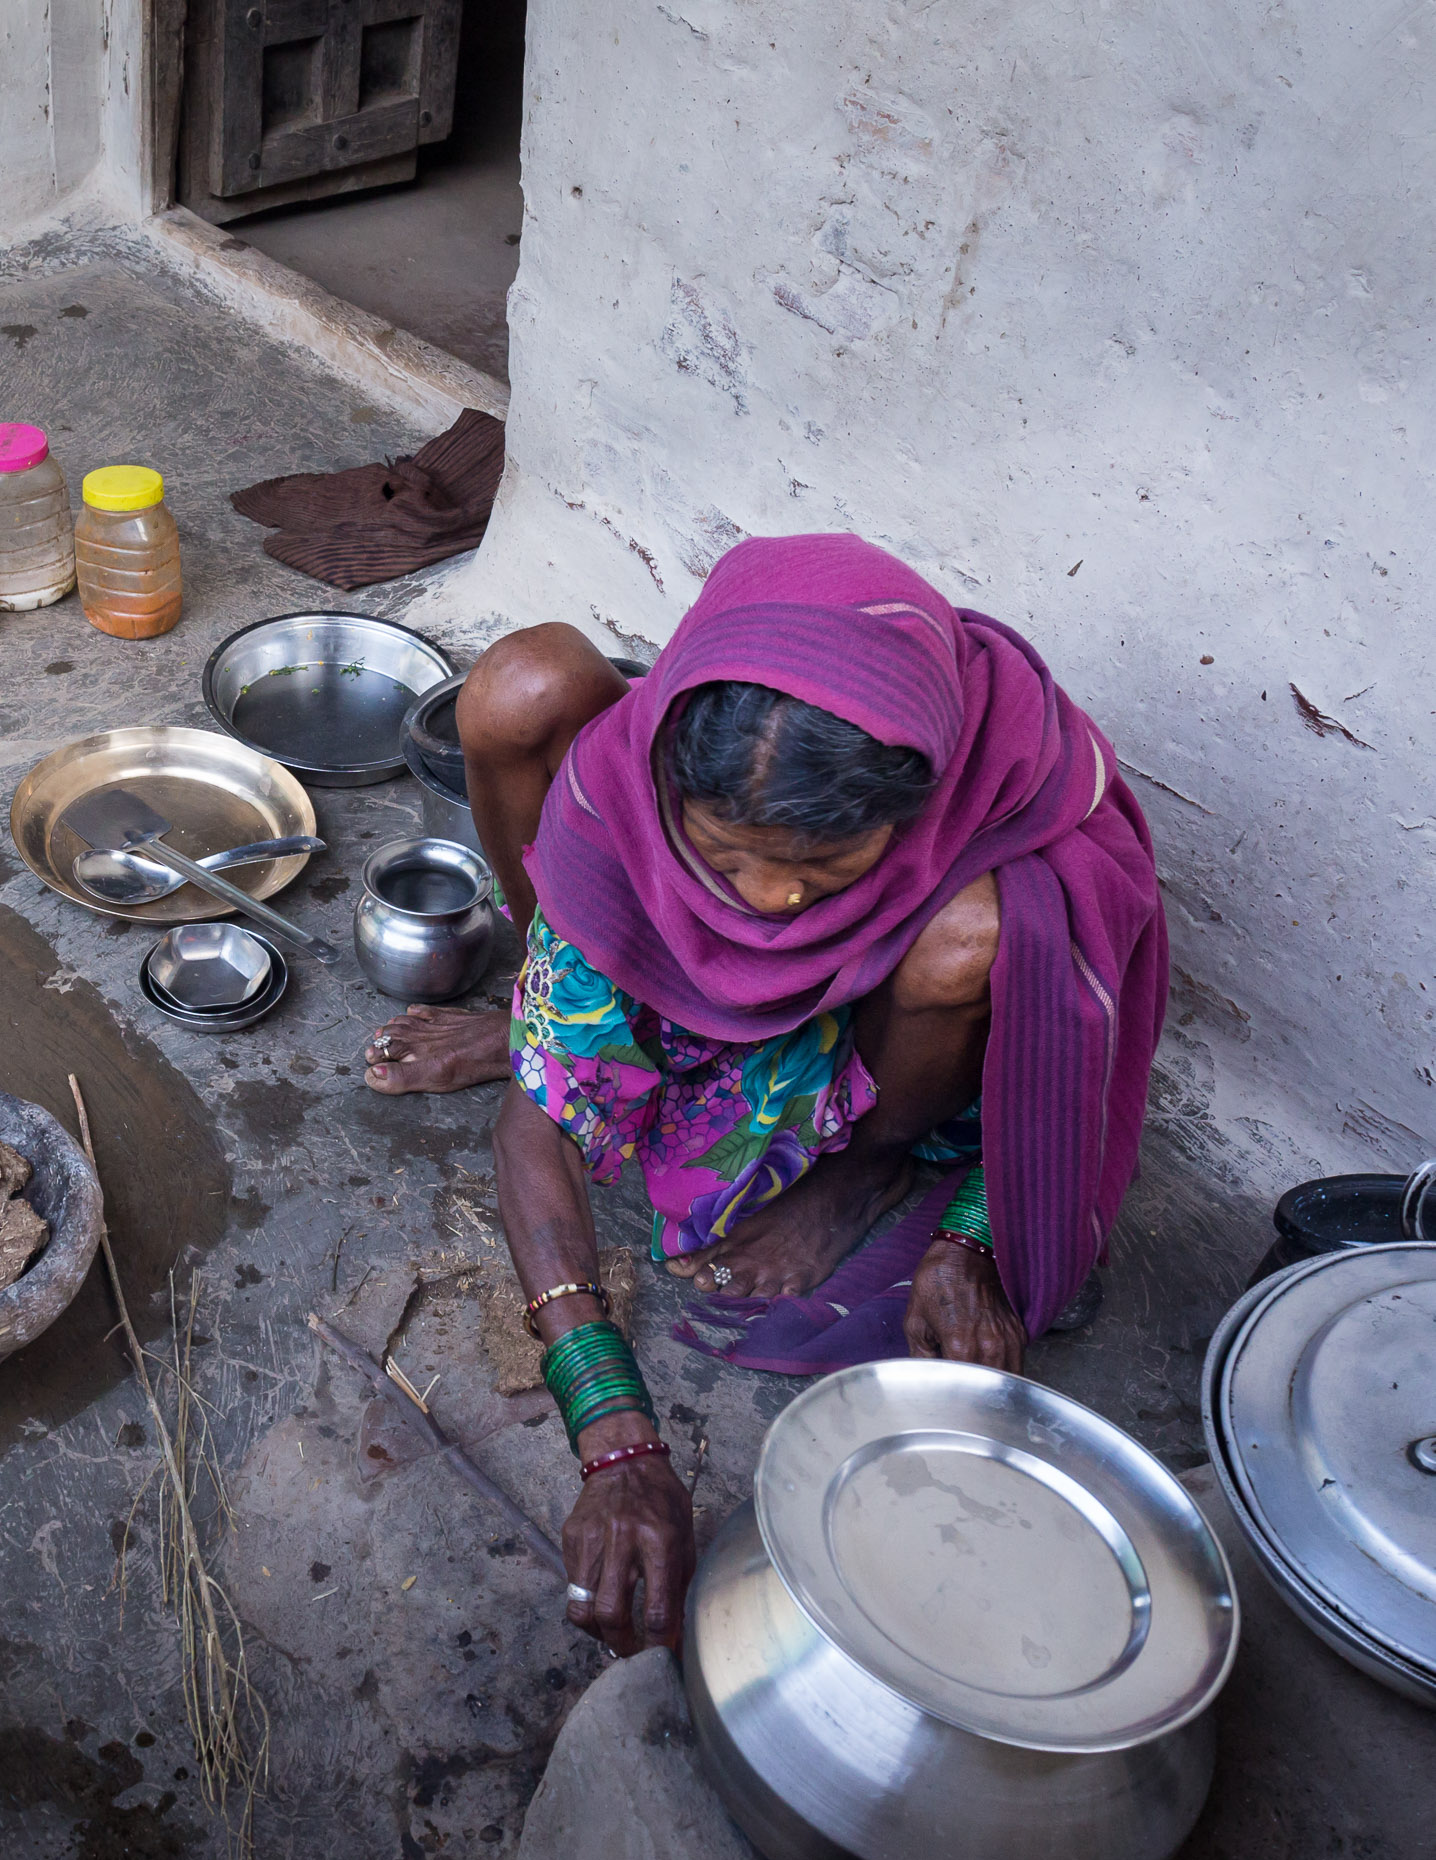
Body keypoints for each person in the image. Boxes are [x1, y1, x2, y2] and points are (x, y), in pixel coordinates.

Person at [365, 535, 1167, 1658]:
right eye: (727, 854)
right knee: (564, 966)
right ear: (670, 790)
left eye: (824, 865)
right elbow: (529, 1131)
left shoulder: (1005, 775)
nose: (772, 898)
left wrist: (977, 1231)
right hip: (654, 945)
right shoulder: (625, 789)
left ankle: (870, 1159)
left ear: (917, 804)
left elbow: (1061, 1046)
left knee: (986, 933)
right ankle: (555, 1007)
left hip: (870, 1014)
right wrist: (614, 1432)